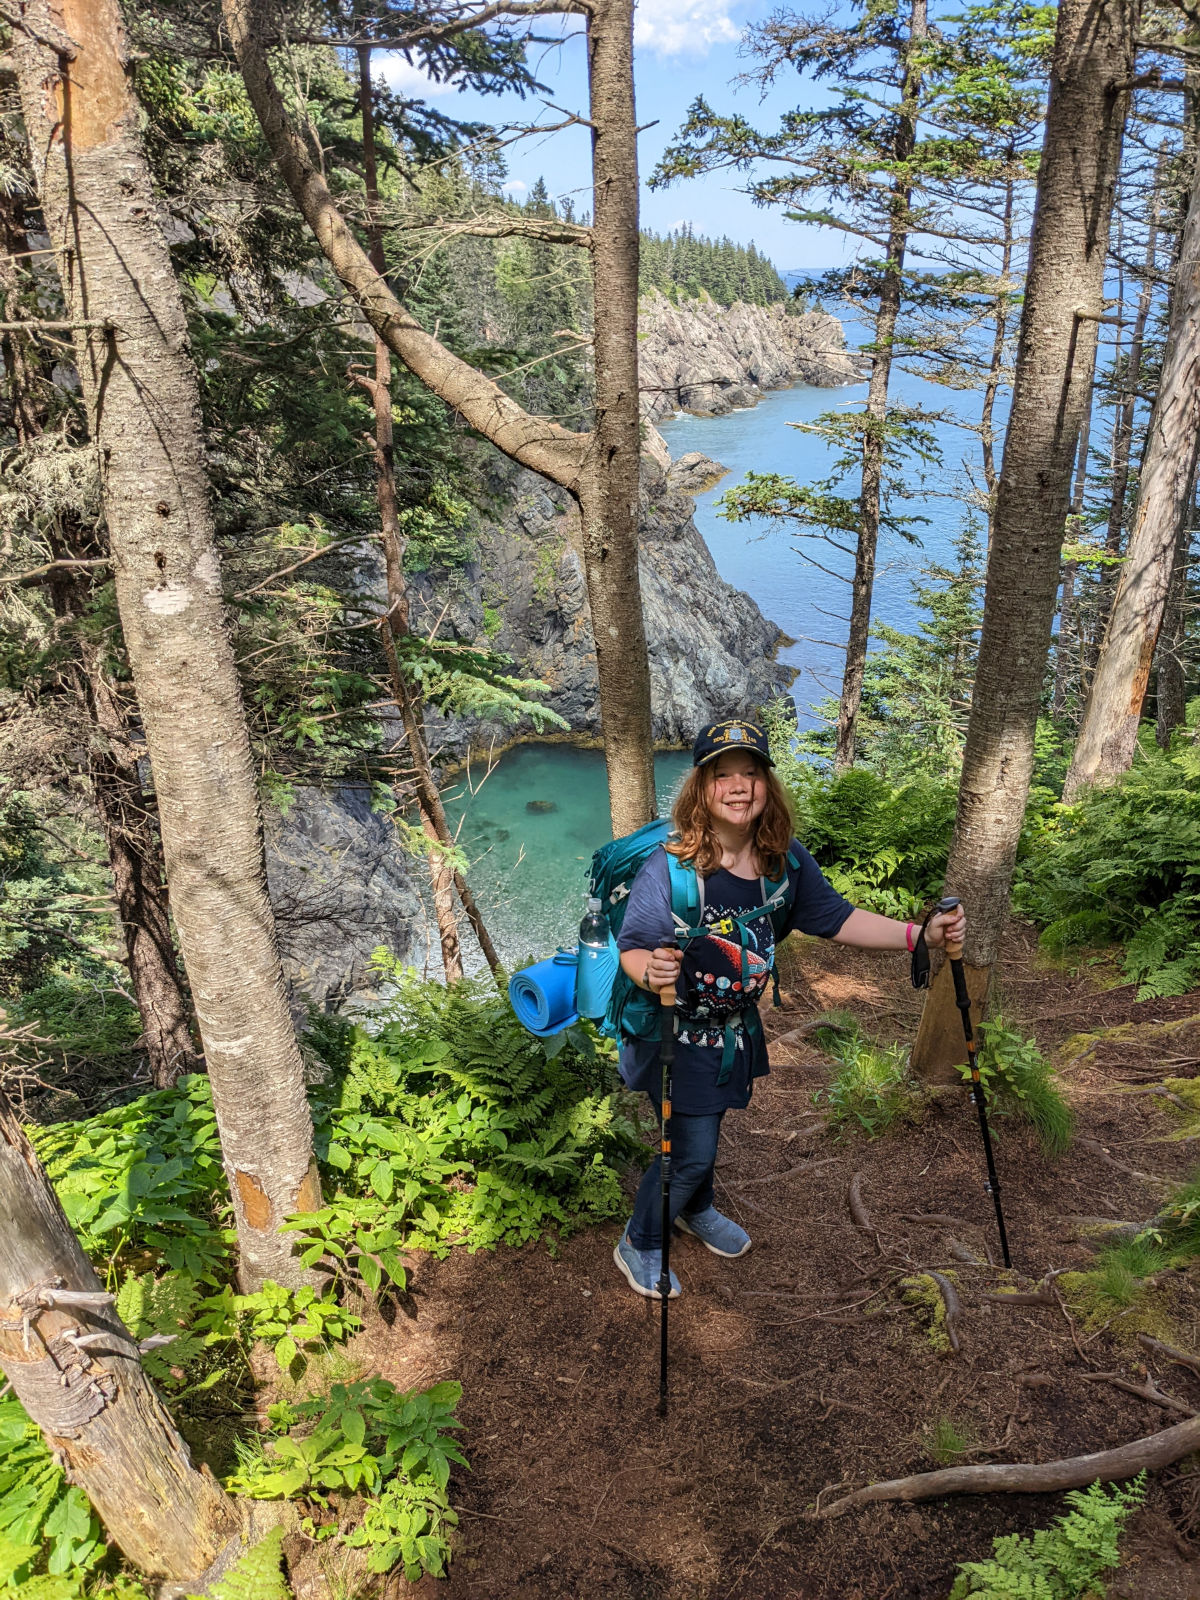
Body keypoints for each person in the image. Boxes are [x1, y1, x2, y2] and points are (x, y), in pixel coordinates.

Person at [612, 716, 966, 1298]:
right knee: (691, 1147)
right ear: (701, 789)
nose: (737, 786)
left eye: (750, 773)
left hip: (732, 1031)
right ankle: (641, 1241)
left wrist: (918, 936)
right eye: (721, 775)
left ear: (767, 786)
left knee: (703, 1130)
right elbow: (633, 948)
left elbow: (838, 918)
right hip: (670, 1030)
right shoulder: (671, 869)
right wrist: (650, 972)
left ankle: (692, 1207)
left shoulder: (784, 863)